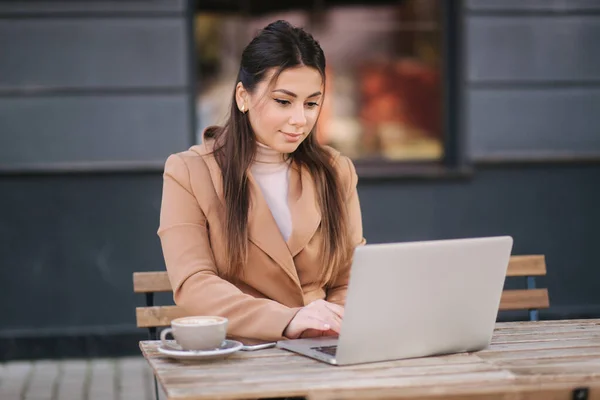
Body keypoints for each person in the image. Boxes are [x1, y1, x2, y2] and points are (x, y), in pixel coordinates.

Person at [158, 20, 365, 343]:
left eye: (311, 103)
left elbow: (351, 279)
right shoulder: (189, 172)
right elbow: (194, 283)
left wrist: (329, 329)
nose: (300, 119)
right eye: (283, 101)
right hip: (239, 350)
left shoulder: (336, 171)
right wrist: (288, 320)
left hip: (323, 349)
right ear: (243, 97)